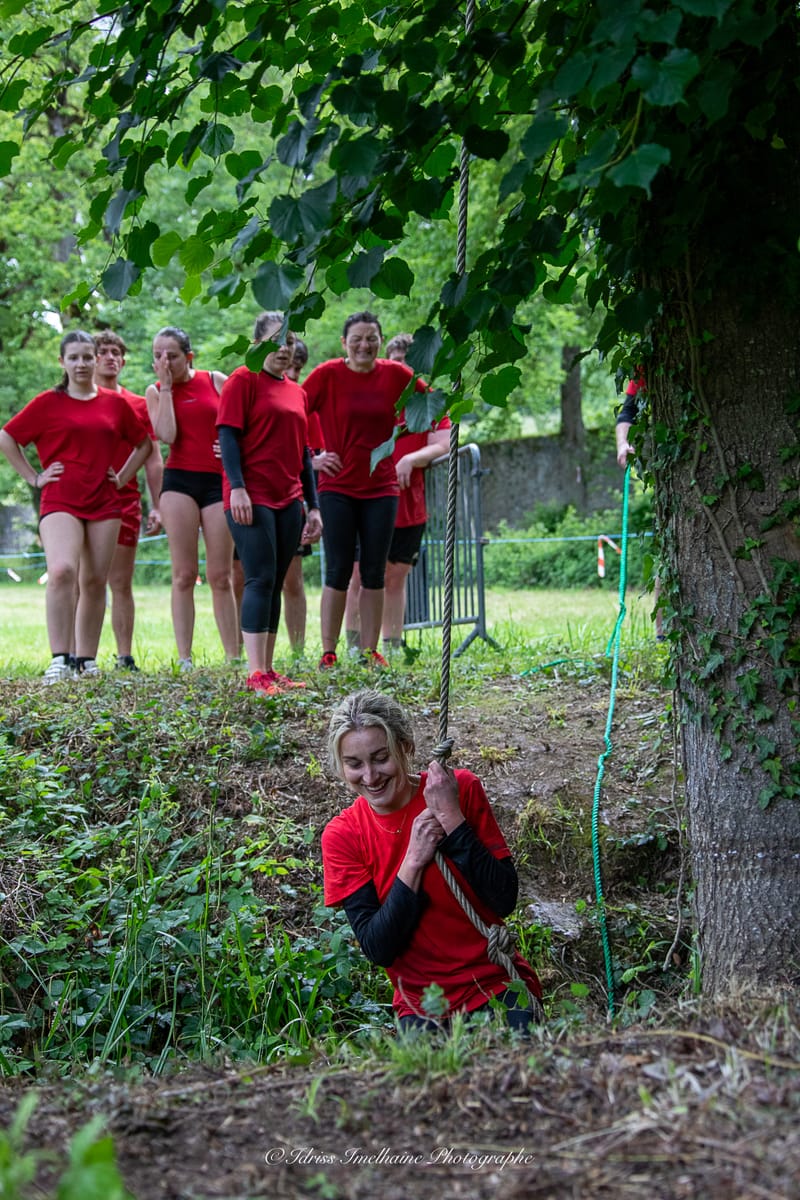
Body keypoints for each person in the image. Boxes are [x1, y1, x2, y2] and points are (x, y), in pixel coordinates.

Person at [322, 690, 544, 1031]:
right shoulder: (344, 836)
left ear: (406, 747)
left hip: (495, 982)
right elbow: (379, 948)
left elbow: (503, 900)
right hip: (423, 1004)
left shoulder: (458, 789)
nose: (370, 776)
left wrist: (452, 819)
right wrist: (413, 860)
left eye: (381, 758)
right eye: (354, 764)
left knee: (521, 1059)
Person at [0, 330, 151, 682]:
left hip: (105, 500)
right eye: (74, 358)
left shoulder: (115, 404)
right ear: (62, 362)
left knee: (95, 580)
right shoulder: (47, 403)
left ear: (95, 360)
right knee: (62, 571)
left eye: (87, 357)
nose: (81, 364)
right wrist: (34, 477)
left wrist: (122, 477)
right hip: (60, 498)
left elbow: (144, 444)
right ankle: (60, 659)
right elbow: (7, 436)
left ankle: (86, 660)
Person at [302, 311, 427, 670]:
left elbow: (431, 404)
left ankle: (371, 652)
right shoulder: (326, 375)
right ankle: (329, 652)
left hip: (381, 488)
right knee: (338, 570)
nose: (364, 345)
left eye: (371, 338)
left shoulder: (396, 374)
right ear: (344, 342)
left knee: (374, 571)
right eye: (356, 339)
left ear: (380, 341)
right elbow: (291, 413)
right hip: (337, 487)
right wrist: (312, 458)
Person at [217, 313, 322, 695]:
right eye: (276, 340)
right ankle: (255, 672)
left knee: (276, 581)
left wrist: (313, 506)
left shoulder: (297, 392)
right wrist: (238, 488)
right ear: (257, 343)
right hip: (250, 496)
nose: (284, 348)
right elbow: (228, 437)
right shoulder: (242, 380)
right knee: (259, 577)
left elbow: (304, 453)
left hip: (289, 499)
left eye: (289, 341)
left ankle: (269, 669)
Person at [344, 332, 451, 654]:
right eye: (395, 363)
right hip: (364, 500)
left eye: (407, 363)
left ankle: (391, 646)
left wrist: (411, 458)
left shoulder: (429, 400)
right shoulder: (369, 395)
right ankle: (355, 647)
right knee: (358, 574)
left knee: (395, 577)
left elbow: (444, 442)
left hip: (408, 504)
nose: (401, 369)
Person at [146, 326, 239, 670]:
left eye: (171, 356)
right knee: (184, 574)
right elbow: (167, 435)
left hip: (217, 481)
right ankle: (184, 658)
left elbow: (243, 424)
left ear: (189, 357)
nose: (164, 362)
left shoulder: (216, 380)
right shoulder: (155, 391)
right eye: (158, 355)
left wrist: (232, 448)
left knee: (220, 575)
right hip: (179, 482)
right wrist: (167, 388)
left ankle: (233, 656)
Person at [94, 331, 163, 671]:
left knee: (120, 582)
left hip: (125, 501)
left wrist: (157, 505)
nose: (110, 357)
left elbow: (153, 459)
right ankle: (77, 656)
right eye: (103, 352)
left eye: (116, 353)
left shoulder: (136, 404)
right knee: (84, 580)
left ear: (123, 361)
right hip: (82, 501)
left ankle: (124, 657)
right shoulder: (76, 401)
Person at [616, 371, 664, 640]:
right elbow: (627, 412)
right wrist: (623, 443)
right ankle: (662, 633)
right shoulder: (646, 367)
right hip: (664, 465)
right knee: (666, 548)